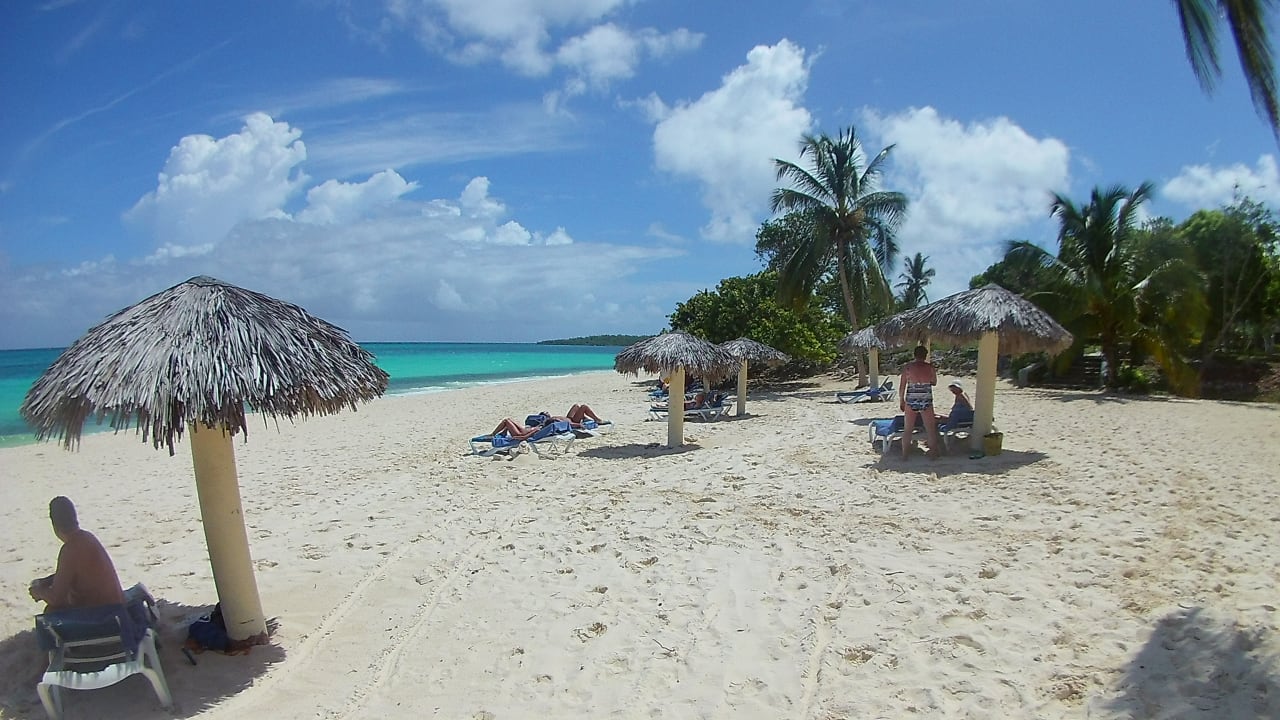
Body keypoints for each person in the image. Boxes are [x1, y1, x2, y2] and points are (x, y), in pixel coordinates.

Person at [29, 496, 125, 612]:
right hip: (115, 605)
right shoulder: (87, 537)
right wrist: (45, 582)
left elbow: (56, 598)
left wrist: (39, 592)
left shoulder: (70, 549)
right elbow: (70, 574)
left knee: (51, 611)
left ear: (54, 525)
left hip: (104, 612)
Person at [898, 345, 941, 459]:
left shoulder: (908, 368)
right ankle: (933, 455)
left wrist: (901, 401)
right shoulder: (930, 367)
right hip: (925, 398)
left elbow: (902, 386)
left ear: (914, 355)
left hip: (911, 399)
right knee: (930, 430)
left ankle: (904, 455)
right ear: (925, 355)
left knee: (908, 430)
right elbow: (934, 382)